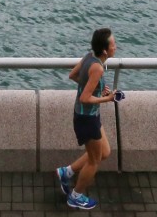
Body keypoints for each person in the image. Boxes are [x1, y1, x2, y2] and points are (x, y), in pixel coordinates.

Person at [55, 27, 119, 210]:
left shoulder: (89, 56)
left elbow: (73, 75)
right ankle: (75, 196)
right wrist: (106, 98)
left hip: (89, 115)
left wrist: (97, 90)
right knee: (94, 161)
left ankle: (66, 172)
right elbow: (85, 97)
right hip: (86, 119)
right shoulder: (97, 67)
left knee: (104, 152)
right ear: (105, 50)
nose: (116, 46)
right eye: (114, 44)